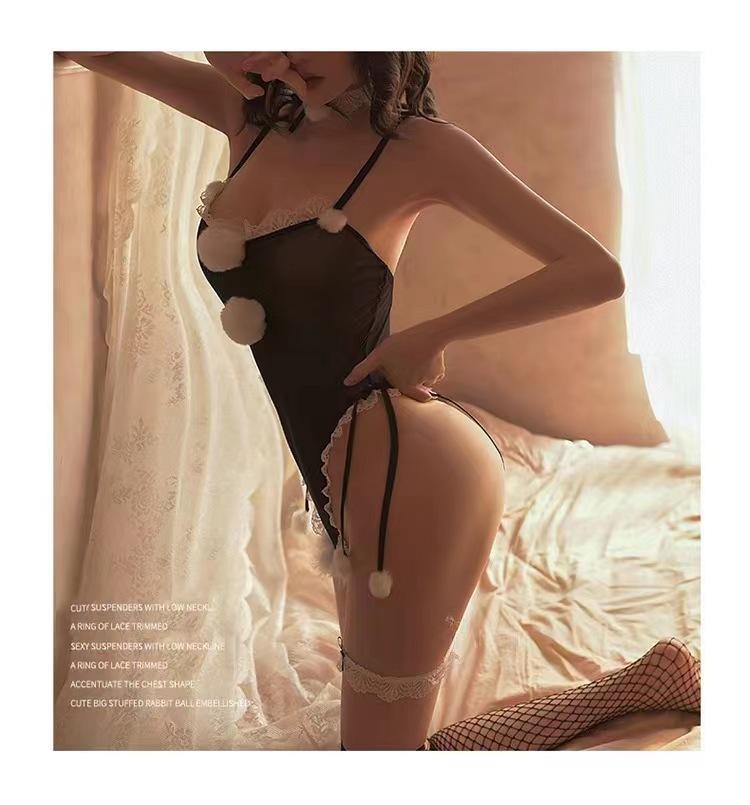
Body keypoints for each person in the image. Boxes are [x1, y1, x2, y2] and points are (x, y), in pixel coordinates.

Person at [58, 50, 700, 750]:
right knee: (381, 750)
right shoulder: (249, 115)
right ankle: (646, 680)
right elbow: (86, 38)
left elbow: (596, 270)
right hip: (342, 472)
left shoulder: (417, 148)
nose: (293, 55)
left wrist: (435, 332)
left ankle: (640, 685)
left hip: (410, 470)